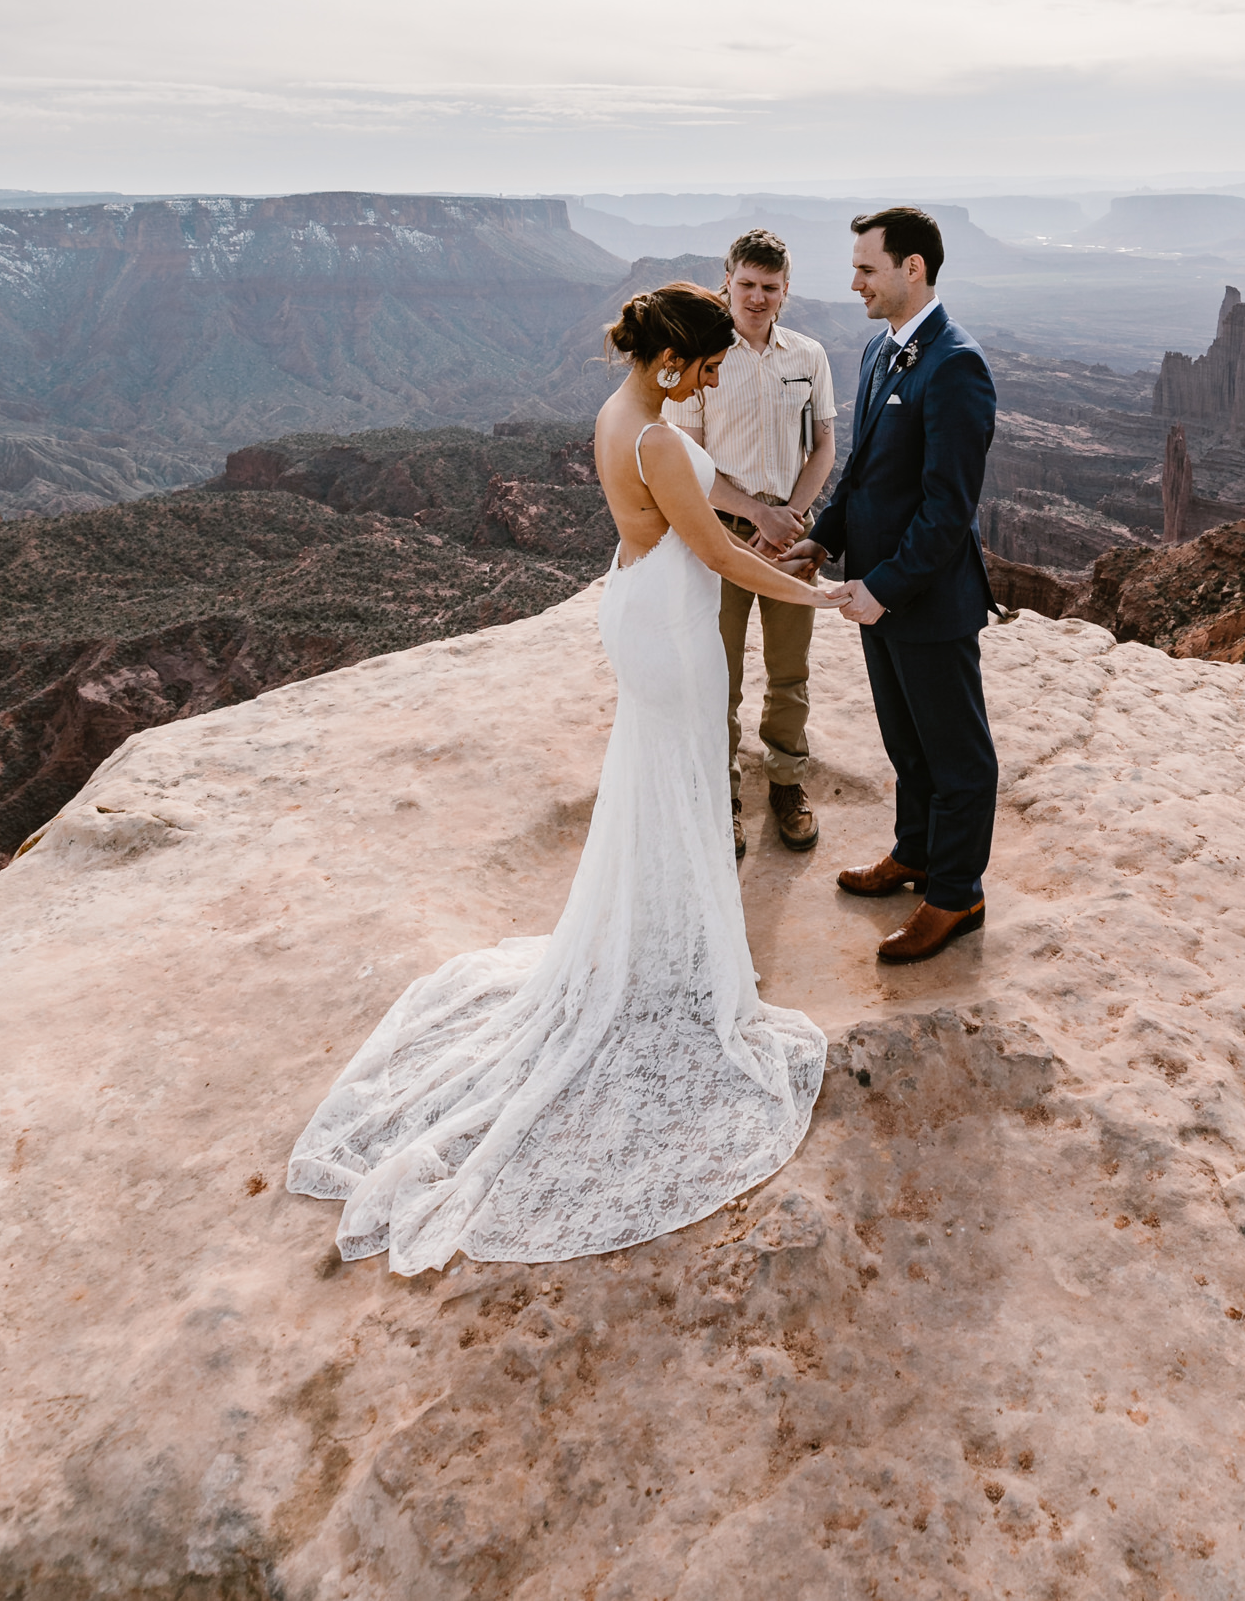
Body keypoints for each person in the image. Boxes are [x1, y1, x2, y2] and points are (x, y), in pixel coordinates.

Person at [287, 282, 848, 1272]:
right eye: (709, 363)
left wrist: (762, 516)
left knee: (662, 786)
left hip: (638, 601)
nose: (718, 376)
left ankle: (660, 949)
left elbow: (713, 506)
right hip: (672, 625)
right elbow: (712, 547)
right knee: (675, 783)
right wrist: (821, 592)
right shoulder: (662, 440)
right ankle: (674, 973)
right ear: (675, 360)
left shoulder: (624, 414)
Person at [787, 208, 1001, 966]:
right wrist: (825, 538)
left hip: (926, 603)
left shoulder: (954, 364)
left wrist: (884, 586)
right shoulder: (884, 351)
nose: (854, 283)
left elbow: (948, 510)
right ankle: (914, 855)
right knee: (907, 747)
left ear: (913, 268)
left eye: (866, 269)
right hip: (877, 599)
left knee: (956, 757)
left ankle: (955, 897)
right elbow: (865, 473)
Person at [667, 227, 836, 861]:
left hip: (793, 537)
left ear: (786, 290)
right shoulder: (704, 357)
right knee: (722, 676)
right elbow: (685, 463)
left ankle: (788, 786)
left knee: (790, 672)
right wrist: (755, 515)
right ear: (727, 281)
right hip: (721, 536)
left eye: (770, 288)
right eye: (746, 285)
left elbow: (823, 445)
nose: (757, 298)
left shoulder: (807, 356)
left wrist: (790, 515)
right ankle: (724, 794)